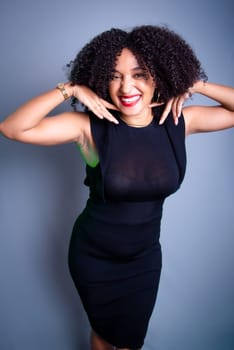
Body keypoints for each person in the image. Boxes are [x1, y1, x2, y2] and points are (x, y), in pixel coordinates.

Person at [0, 25, 233, 350]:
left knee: (128, 342)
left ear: (160, 75)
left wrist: (196, 84)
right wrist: (69, 90)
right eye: (115, 75)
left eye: (139, 74)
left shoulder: (180, 122)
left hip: (144, 259)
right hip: (94, 257)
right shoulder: (89, 129)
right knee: (102, 334)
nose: (126, 86)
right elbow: (12, 128)